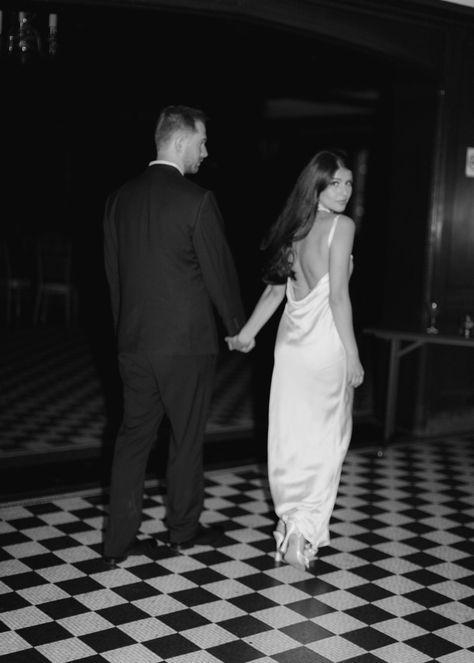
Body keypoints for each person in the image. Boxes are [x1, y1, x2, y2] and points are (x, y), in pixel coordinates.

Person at [102, 105, 246, 566]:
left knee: (132, 438)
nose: (206, 152)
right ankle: (183, 530)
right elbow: (219, 273)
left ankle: (118, 541)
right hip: (186, 345)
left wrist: (125, 330)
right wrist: (239, 330)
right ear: (181, 142)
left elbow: (113, 278)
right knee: (186, 437)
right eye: (202, 142)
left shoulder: (118, 198)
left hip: (134, 341)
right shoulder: (197, 200)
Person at [226, 149, 364, 571]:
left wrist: (247, 334)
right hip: (323, 347)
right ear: (318, 186)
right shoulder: (341, 227)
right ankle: (301, 534)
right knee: (326, 441)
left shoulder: (294, 227)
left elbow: (273, 291)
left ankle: (290, 526)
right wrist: (354, 357)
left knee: (290, 437)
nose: (345, 190)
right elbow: (338, 296)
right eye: (336, 182)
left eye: (348, 182)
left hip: (289, 346)